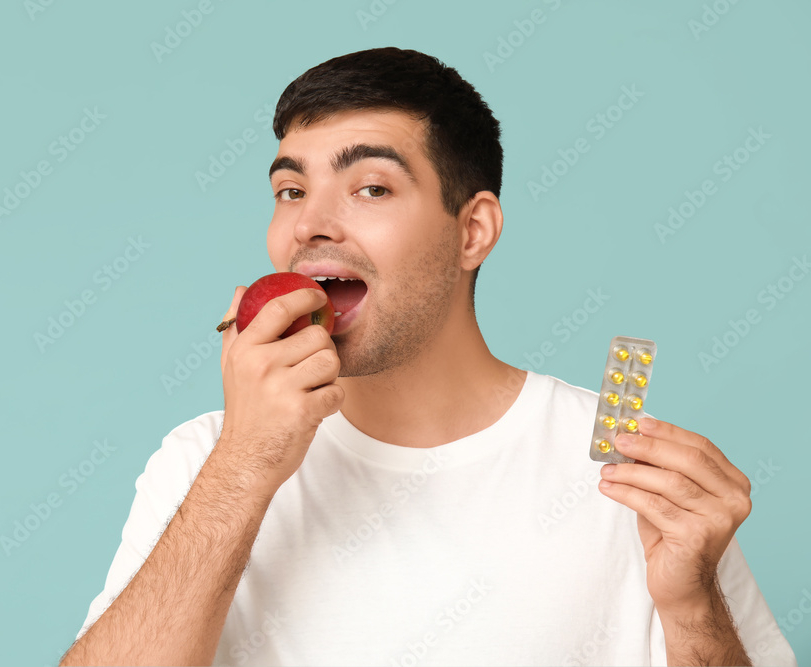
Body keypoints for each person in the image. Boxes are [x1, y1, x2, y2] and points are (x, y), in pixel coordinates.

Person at [59, 47, 796, 666]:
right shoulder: (202, 463)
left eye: (370, 186)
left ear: (473, 230)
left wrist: (694, 605)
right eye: (290, 189)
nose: (310, 224)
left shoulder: (630, 477)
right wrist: (244, 466)